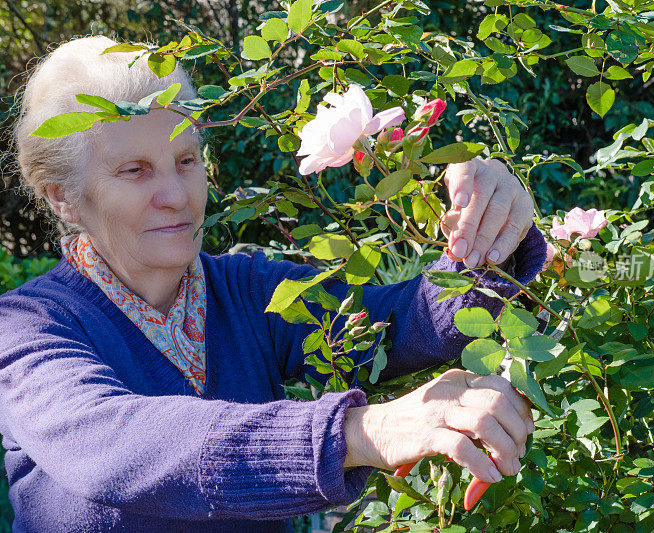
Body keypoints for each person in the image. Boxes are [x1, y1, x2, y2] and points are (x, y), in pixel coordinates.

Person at [0, 36, 547, 532]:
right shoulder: (27, 327)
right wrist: (361, 432)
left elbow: (399, 324)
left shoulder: (247, 291)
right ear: (61, 197)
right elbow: (111, 444)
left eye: (186, 160)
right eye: (135, 170)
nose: (177, 193)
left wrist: (488, 238)